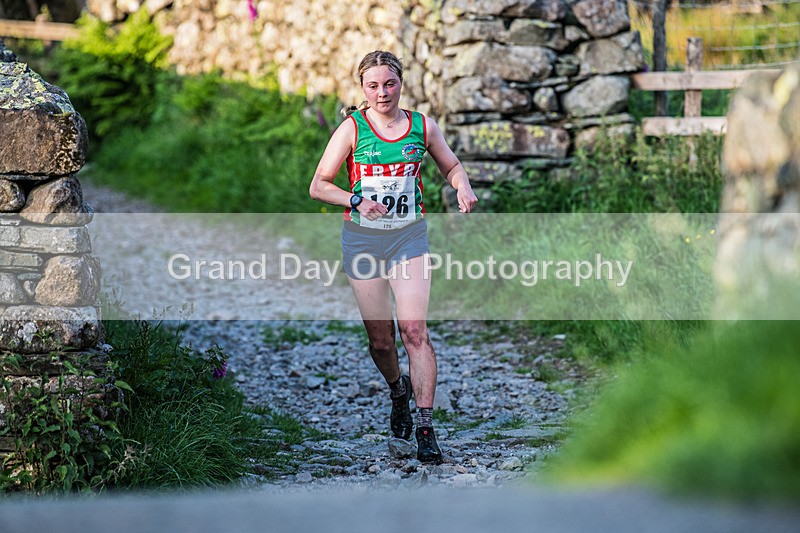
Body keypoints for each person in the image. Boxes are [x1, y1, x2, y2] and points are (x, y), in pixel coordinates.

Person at [309, 50, 478, 464]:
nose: (382, 92)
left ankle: (424, 426)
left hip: (408, 239)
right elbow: (318, 185)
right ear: (362, 89)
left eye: (389, 83)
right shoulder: (352, 129)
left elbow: (452, 165)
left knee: (414, 331)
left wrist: (462, 186)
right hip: (363, 241)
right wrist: (355, 200)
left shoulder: (422, 126)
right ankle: (397, 390)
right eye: (373, 85)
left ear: (401, 83)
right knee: (381, 341)